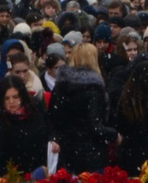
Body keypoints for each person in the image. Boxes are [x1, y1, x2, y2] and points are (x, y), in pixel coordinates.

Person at [48, 43, 115, 174]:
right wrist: (114, 135)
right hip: (91, 155)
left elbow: (53, 118)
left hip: (67, 153)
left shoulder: (60, 86)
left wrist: (56, 139)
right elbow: (96, 126)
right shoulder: (94, 89)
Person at [0, 77, 51, 177]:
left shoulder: (35, 109)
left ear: (22, 96)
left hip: (40, 170)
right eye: (7, 98)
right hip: (13, 175)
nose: (11, 102)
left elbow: (49, 131)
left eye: (15, 97)